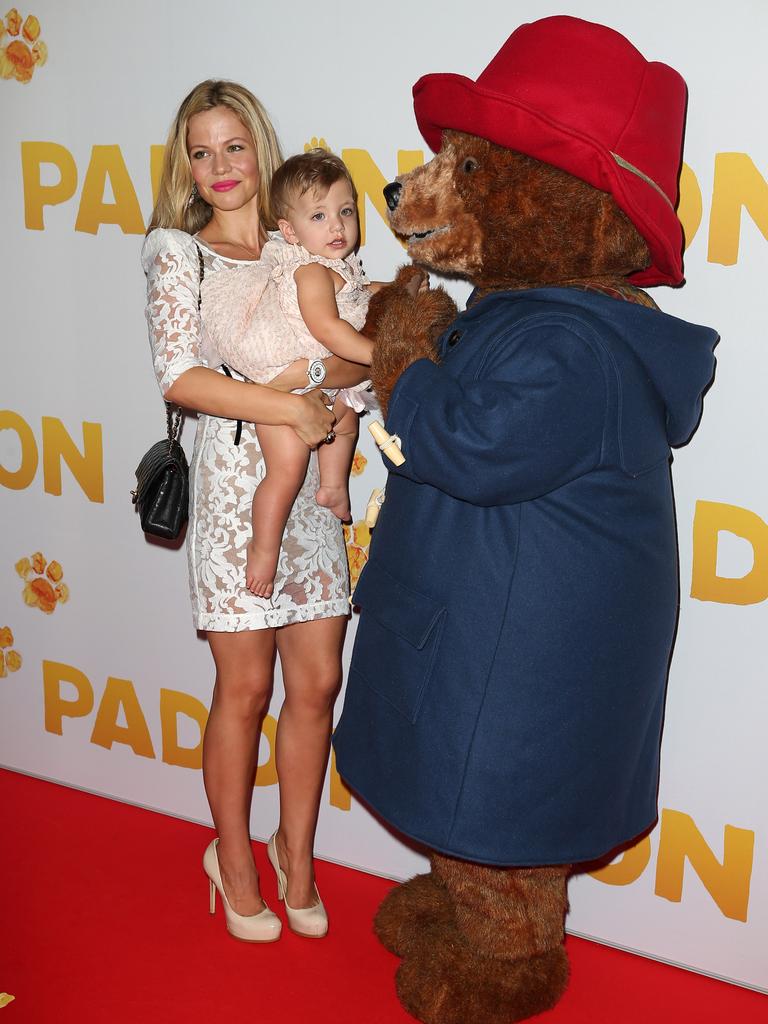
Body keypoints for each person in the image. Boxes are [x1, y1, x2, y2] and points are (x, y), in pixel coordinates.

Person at [142, 79, 366, 942]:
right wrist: (290, 408)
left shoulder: (309, 237)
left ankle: (295, 854)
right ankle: (231, 859)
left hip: (315, 488)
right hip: (241, 491)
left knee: (317, 685)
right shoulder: (178, 251)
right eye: (202, 152)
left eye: (234, 146)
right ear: (187, 168)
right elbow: (181, 378)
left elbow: (353, 360)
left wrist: (309, 387)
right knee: (244, 688)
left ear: (260, 150)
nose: (220, 166)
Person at [203, 149, 377, 598]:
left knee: (347, 418)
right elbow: (329, 330)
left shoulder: (337, 268)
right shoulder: (310, 272)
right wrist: (378, 354)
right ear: (290, 231)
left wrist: (395, 288)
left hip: (319, 383)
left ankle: (334, 486)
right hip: (287, 383)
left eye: (345, 212)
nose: (337, 226)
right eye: (319, 216)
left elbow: (359, 292)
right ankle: (262, 549)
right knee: (286, 471)